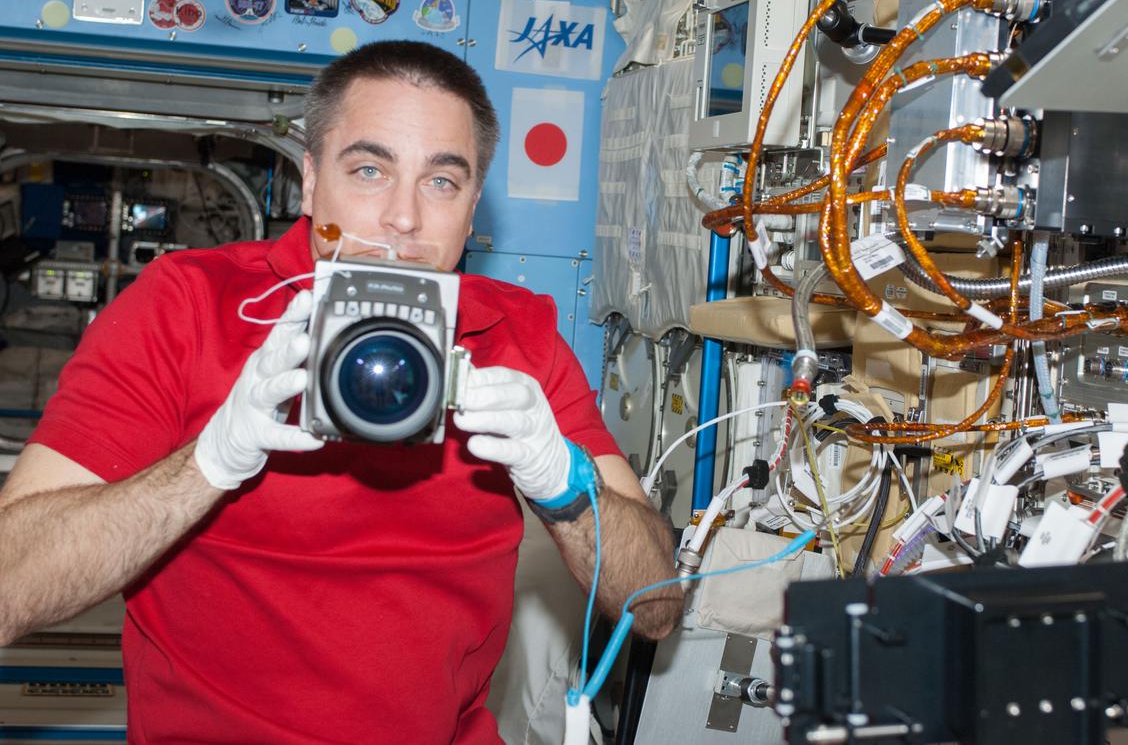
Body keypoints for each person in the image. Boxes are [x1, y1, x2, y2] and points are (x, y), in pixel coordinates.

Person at [0, 40, 681, 743]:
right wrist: (207, 465)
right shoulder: (189, 307)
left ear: (473, 206)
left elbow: (655, 605)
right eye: (368, 170)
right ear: (309, 180)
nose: (404, 219)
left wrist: (565, 488)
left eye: (442, 182)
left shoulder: (518, 336)